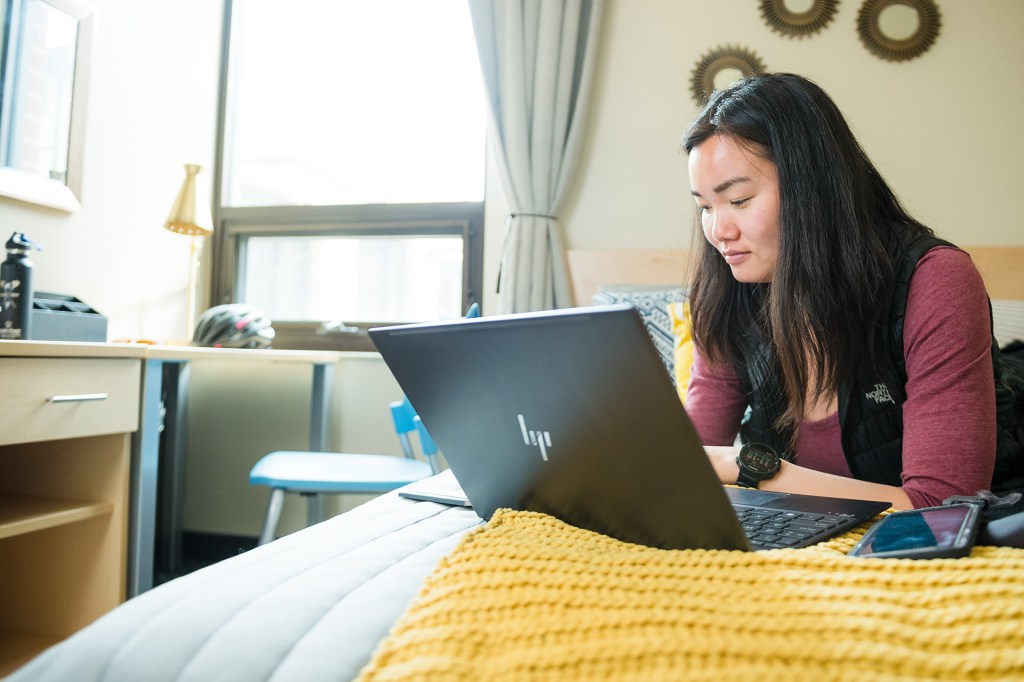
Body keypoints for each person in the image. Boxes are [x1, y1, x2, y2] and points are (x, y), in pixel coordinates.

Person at [680, 72, 1024, 515]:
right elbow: (686, 467)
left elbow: (941, 509)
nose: (718, 231)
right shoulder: (730, 292)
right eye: (705, 207)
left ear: (813, 188)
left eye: (740, 200)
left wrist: (751, 467)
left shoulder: (935, 280)